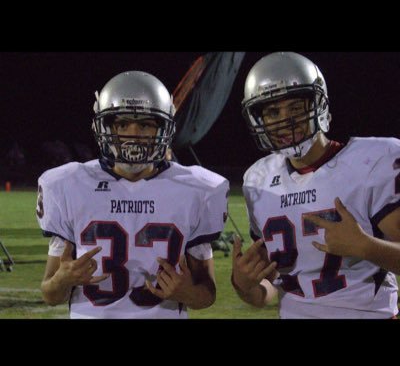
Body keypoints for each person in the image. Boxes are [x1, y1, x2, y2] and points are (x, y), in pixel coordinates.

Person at [37, 71, 229, 319]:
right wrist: (61, 281)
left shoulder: (196, 189)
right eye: (122, 124)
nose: (134, 134)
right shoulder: (69, 184)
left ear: (163, 129)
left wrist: (188, 293)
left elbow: (207, 294)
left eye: (145, 125)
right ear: (105, 127)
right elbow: (50, 295)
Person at [231, 52, 400, 319]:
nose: (286, 120)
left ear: (318, 104)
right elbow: (269, 289)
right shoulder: (258, 180)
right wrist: (244, 285)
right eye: (273, 112)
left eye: (296, 107)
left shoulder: (372, 162)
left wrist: (366, 247)